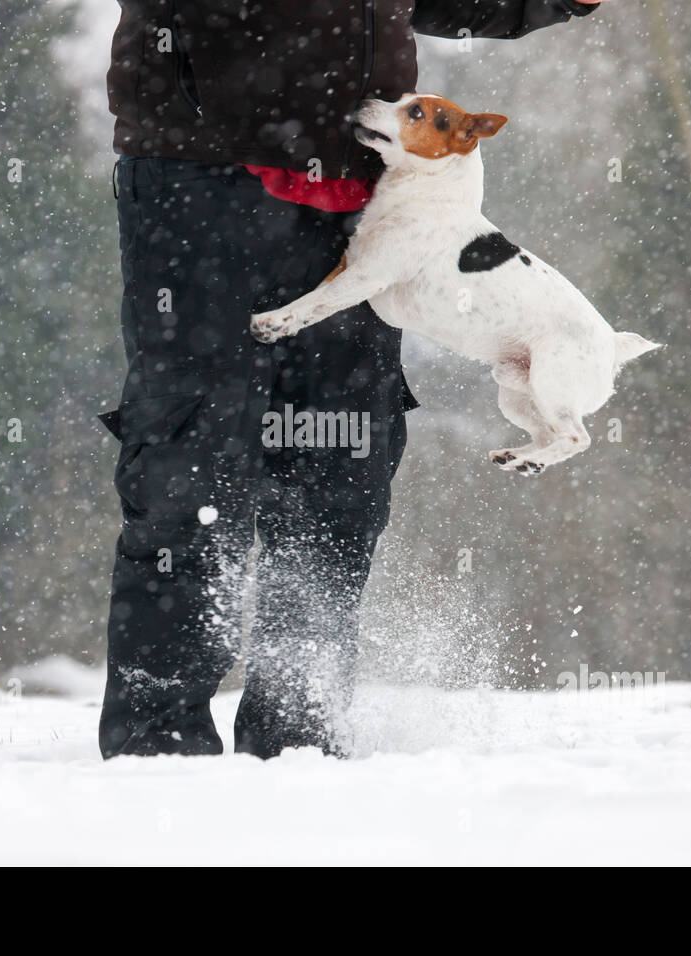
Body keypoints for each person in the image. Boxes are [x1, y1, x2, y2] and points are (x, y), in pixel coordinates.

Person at [99, 0, 603, 759]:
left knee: (341, 468)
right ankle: (158, 744)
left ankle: (297, 734)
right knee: (190, 462)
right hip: (204, 178)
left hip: (357, 196)